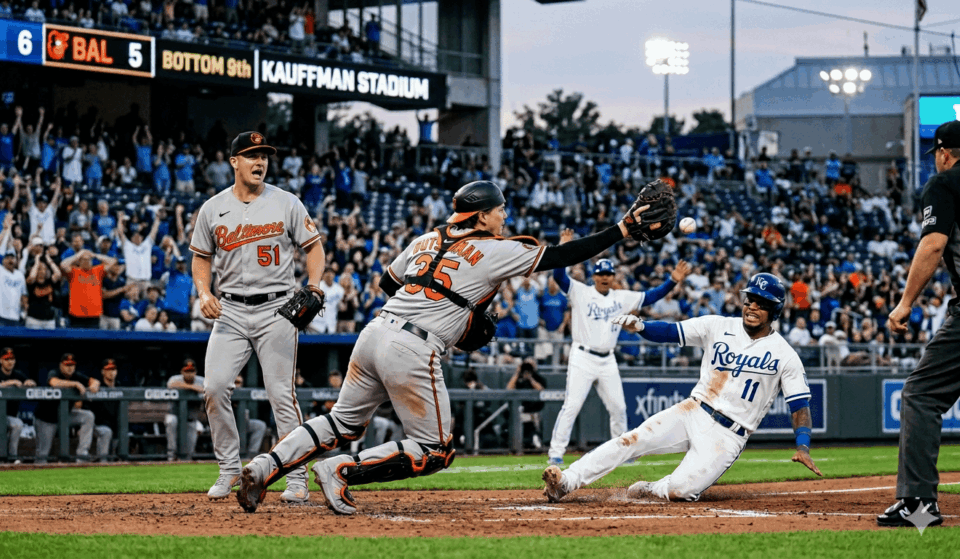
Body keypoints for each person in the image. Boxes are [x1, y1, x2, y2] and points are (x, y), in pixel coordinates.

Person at [238, 179, 659, 515]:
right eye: (500, 210)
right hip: (413, 346)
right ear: (482, 215)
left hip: (375, 331)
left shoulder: (426, 238)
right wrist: (621, 230)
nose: (505, 215)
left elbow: (387, 283)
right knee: (435, 449)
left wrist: (449, 304)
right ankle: (340, 470)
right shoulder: (494, 249)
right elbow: (561, 257)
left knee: (340, 423)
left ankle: (263, 466)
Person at [543, 273, 822, 504]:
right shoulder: (718, 325)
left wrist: (803, 445)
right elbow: (671, 331)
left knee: (680, 491)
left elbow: (799, 406)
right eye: (750, 300)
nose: (752, 307)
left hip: (729, 435)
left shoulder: (785, 355)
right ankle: (566, 482)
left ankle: (654, 488)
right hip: (694, 410)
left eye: (762, 304)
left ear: (775, 310)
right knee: (631, 440)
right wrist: (641, 326)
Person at [189, 132, 324, 501]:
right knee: (214, 387)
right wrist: (204, 292)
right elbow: (201, 258)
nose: (260, 161)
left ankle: (296, 479)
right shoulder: (212, 208)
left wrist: (314, 286)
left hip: (276, 308)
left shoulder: (287, 202)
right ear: (234, 162)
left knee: (281, 394)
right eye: (251, 155)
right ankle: (229, 469)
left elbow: (314, 248)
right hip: (230, 309)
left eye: (264, 155)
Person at [876, 121, 960, 528]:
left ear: (944, 153)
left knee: (921, 395)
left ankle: (918, 504)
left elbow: (933, 243)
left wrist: (905, 304)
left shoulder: (944, 183)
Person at [546, 254, 689, 466]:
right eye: (601, 274)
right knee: (572, 406)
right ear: (594, 277)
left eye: (608, 274)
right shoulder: (580, 292)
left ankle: (622, 453)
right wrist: (564, 250)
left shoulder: (620, 297)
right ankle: (556, 454)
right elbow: (559, 277)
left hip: (608, 359)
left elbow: (649, 297)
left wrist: (672, 281)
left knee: (619, 409)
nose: (605, 277)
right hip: (582, 356)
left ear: (613, 277)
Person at [33, 353, 105, 463]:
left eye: (72, 365)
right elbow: (53, 382)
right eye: (67, 365)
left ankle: (82, 454)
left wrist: (95, 384)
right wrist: (75, 384)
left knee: (88, 416)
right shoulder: (55, 372)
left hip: (65, 416)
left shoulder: (77, 375)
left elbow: (93, 381)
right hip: (46, 418)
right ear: (61, 365)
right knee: (43, 455)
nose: (70, 368)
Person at [0, 348, 36, 463]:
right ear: (1, 360)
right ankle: (1, 459)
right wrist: (8, 383)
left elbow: (31, 383)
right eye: (6, 359)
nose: (9, 362)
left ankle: (10, 458)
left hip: (9, 418)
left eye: (12, 359)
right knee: (6, 427)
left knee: (16, 424)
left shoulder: (18, 374)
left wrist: (30, 383)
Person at [60, 249, 118, 328]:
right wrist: (78, 255)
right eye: (84, 259)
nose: (87, 261)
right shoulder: (74, 271)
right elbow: (63, 264)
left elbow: (112, 261)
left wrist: (95, 255)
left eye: (89, 259)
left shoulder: (97, 271)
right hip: (76, 314)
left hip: (94, 314)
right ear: (80, 261)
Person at [165, 359, 205, 461]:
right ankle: (171, 456)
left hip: (191, 419)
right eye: (187, 371)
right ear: (182, 371)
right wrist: (191, 387)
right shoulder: (175, 378)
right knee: (171, 421)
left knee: (189, 452)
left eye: (192, 371)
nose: (189, 374)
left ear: (195, 372)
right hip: (175, 415)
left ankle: (185, 461)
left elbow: (210, 389)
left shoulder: (202, 381)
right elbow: (170, 384)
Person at [507, 358, 547, 449]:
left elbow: (541, 390)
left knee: (533, 426)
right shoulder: (518, 378)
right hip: (520, 410)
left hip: (534, 411)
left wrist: (530, 378)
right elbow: (509, 389)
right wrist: (517, 372)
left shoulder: (539, 378)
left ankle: (536, 442)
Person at [89, 358, 120, 462]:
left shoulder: (119, 386)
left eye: (113, 369)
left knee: (123, 432)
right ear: (103, 371)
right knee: (107, 431)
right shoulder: (97, 387)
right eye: (108, 369)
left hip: (116, 427)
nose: (111, 372)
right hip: (99, 425)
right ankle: (103, 462)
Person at [234, 375, 267, 458]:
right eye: (236, 382)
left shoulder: (244, 393)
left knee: (260, 425)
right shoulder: (225, 392)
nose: (237, 385)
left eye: (240, 383)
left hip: (243, 424)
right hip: (228, 426)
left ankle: (251, 454)